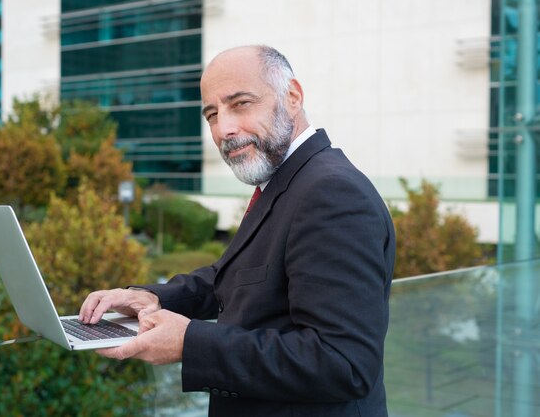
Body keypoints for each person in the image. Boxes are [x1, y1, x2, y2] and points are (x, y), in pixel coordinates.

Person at [80, 45, 396, 417]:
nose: (224, 129)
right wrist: (154, 299)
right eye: (212, 114)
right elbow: (238, 276)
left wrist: (189, 343)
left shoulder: (331, 193)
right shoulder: (287, 181)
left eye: (241, 103)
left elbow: (343, 363)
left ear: (292, 96)